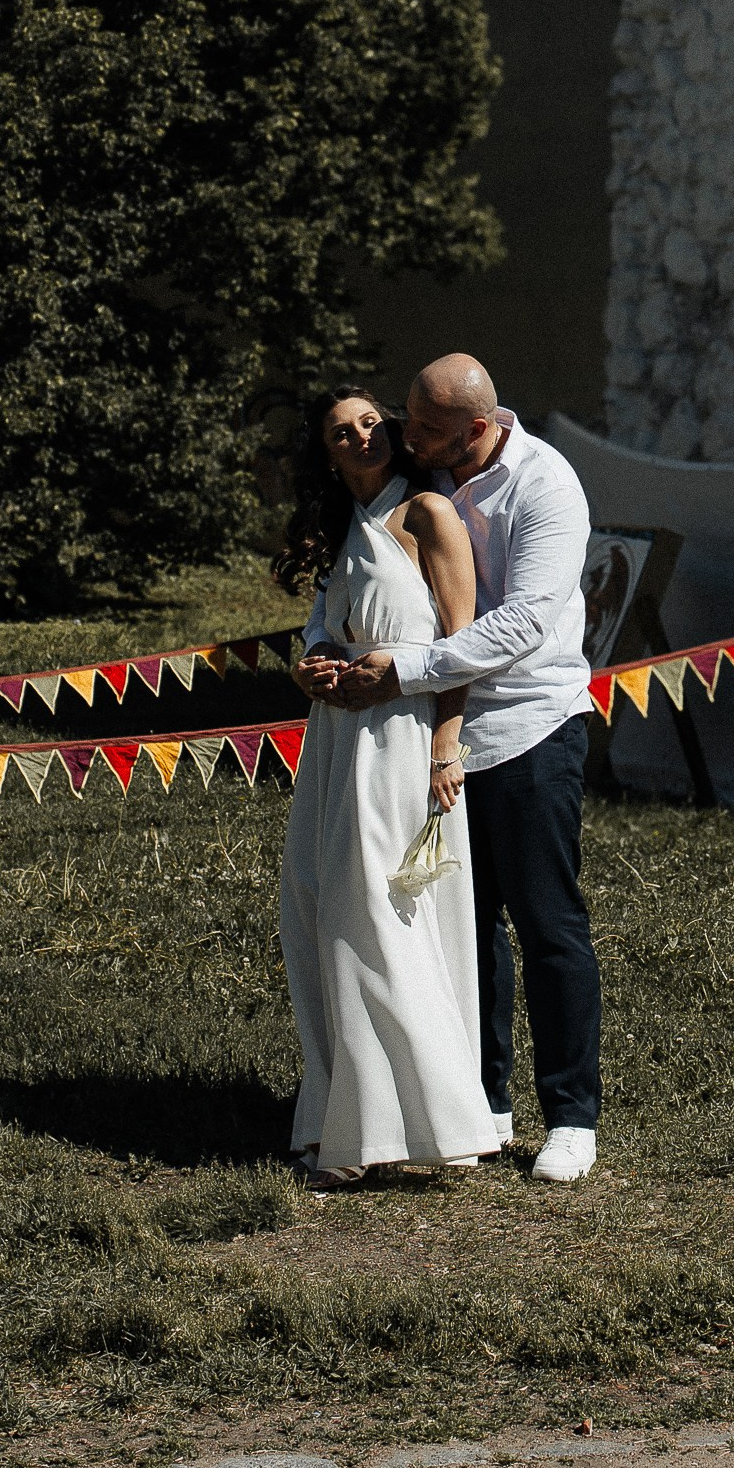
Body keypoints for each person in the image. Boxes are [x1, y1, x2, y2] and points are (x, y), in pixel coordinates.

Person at [302, 353, 603, 1183]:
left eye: (426, 428)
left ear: (478, 428)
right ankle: (482, 1100)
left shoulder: (545, 487)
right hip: (421, 736)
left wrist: (401, 674)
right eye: (405, 417)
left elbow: (523, 626)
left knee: (547, 925)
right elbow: (351, 587)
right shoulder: (411, 479)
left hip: (529, 726)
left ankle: (572, 1116)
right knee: (457, 930)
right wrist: (319, 651)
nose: (405, 435)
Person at [276, 387, 498, 1189]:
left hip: (402, 745)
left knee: (375, 911)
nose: (362, 437)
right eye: (343, 432)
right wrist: (315, 658)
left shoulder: (429, 515)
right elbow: (327, 625)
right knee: (312, 902)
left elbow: (464, 644)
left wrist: (447, 746)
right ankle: (345, 1116)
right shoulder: (342, 533)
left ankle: (435, 1118)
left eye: (371, 423)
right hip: (337, 741)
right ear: (329, 454)